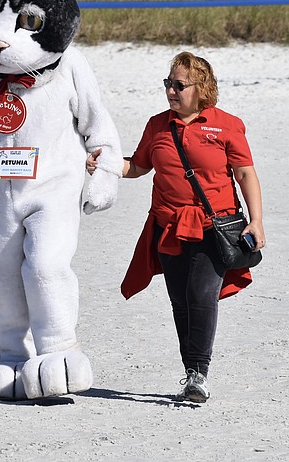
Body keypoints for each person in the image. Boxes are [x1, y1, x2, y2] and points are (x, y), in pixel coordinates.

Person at [87, 51, 265, 404]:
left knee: (201, 295)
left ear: (201, 88)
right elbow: (136, 167)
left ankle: (199, 374)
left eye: (179, 85)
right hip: (168, 225)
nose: (171, 91)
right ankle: (191, 371)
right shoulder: (157, 125)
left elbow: (245, 174)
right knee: (180, 301)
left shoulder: (226, 125)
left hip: (213, 228)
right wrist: (102, 163)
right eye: (168, 84)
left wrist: (257, 220)